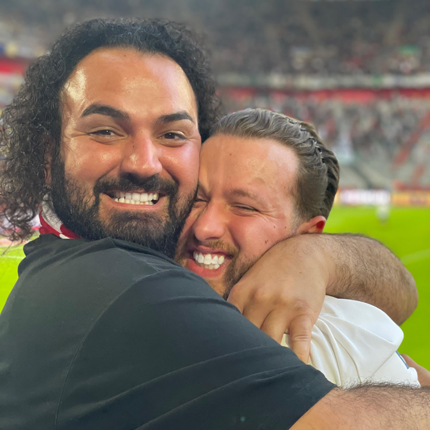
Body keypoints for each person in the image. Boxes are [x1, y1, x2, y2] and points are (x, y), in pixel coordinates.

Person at [0, 18, 429, 430]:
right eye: (106, 131)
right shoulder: (131, 292)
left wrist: (320, 256)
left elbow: (403, 294)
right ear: (47, 153)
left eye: (171, 134)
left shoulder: (60, 262)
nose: (144, 163)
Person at [175, 108, 419, 387]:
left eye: (244, 207)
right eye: (196, 198)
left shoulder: (322, 349)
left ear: (307, 234)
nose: (205, 227)